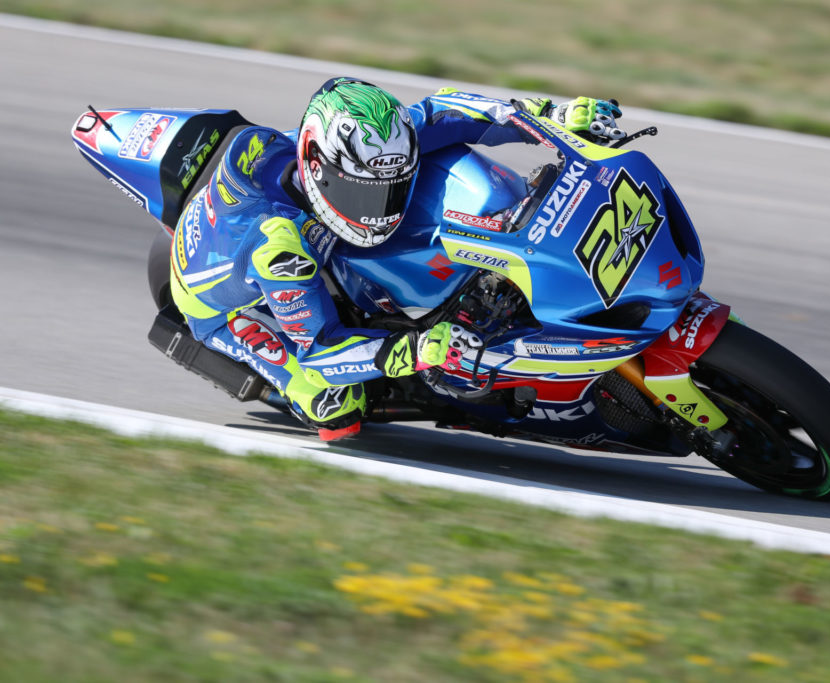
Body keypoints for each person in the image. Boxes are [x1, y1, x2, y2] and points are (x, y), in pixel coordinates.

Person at [168, 77, 625, 440]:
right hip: (215, 306)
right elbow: (321, 352)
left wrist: (551, 116)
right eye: (361, 193)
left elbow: (448, 111)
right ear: (317, 171)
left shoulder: (370, 146)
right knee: (335, 405)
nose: (380, 210)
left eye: (392, 187)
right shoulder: (281, 251)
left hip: (277, 217)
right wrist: (416, 350)